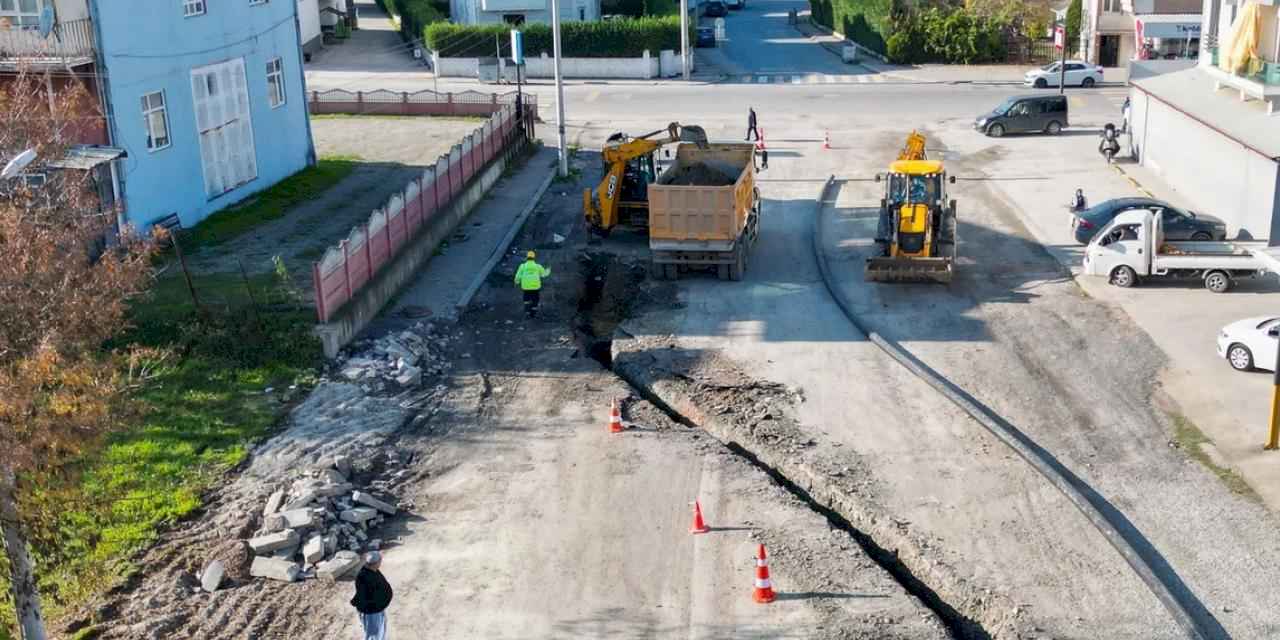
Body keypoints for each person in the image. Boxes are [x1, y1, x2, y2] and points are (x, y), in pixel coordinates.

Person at [351, 552, 393, 640]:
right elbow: (362, 596)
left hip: (377, 610)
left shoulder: (372, 570)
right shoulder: (363, 576)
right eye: (380, 561)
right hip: (371, 613)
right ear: (375, 563)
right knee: (373, 635)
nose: (381, 562)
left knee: (379, 632)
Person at [514, 250, 551, 319]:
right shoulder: (538, 266)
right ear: (534, 258)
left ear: (526, 257)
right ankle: (533, 314)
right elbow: (544, 274)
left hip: (526, 287)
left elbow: (517, 276)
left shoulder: (522, 266)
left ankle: (527, 311)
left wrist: (516, 282)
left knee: (526, 298)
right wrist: (548, 269)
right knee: (535, 299)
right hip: (535, 287)